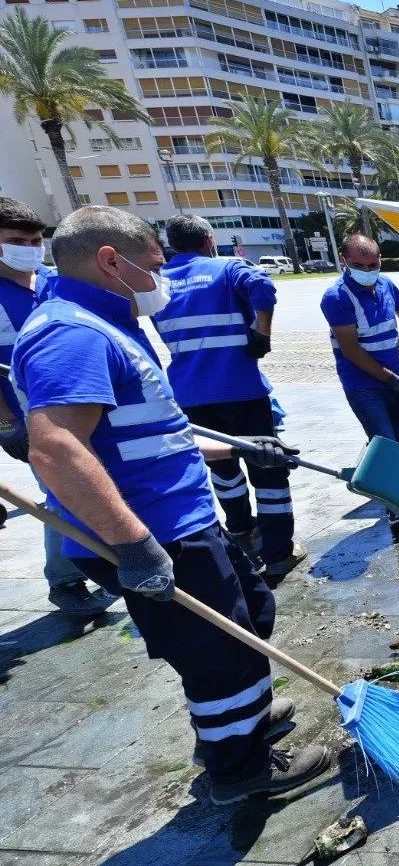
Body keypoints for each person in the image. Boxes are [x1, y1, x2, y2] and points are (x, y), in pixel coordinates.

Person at [12, 205, 330, 803]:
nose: (162, 279)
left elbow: (150, 430)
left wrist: (234, 448)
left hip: (186, 516)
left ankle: (241, 718)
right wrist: (134, 547)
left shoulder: (107, 322)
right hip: (154, 531)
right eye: (154, 266)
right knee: (217, 651)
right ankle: (240, 769)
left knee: (250, 615)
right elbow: (54, 447)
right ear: (112, 261)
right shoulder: (73, 332)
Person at [153, 215, 304, 579]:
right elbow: (263, 289)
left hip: (189, 396)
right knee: (268, 469)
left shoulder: (157, 282)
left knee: (222, 469)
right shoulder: (226, 267)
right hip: (241, 392)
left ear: (172, 245)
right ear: (209, 238)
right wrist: (261, 331)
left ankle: (241, 531)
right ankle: (279, 552)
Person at [0, 197, 119, 618]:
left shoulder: (50, 280)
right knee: (63, 492)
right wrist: (7, 421)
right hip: (34, 418)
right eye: (16, 240)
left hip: (86, 406)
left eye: (35, 240)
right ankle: (66, 579)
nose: (29, 248)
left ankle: (115, 553)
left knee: (102, 483)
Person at [319, 233, 399, 541]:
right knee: (386, 443)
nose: (367, 269)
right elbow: (351, 351)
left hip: (395, 380)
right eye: (359, 264)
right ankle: (395, 512)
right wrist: (393, 381)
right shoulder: (336, 297)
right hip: (364, 384)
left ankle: (395, 492)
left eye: (373, 263)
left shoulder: (387, 284)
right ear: (343, 260)